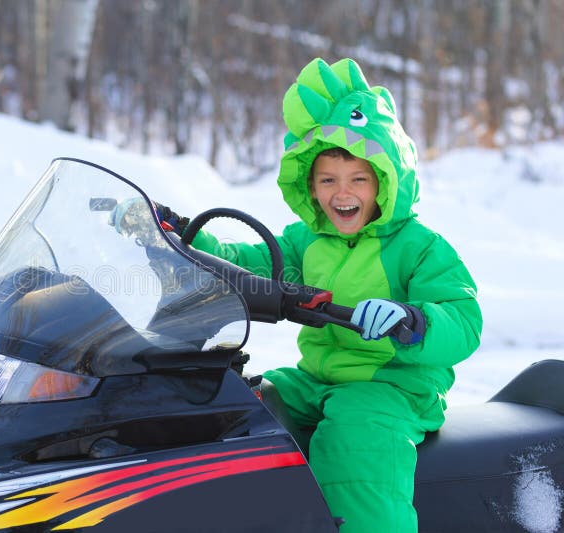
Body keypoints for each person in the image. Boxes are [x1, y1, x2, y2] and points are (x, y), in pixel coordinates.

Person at [154, 58, 482, 532]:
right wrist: (185, 237)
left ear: (385, 182)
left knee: (355, 442)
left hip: (391, 388)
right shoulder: (305, 242)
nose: (341, 192)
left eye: (359, 180)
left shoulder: (419, 247)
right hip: (314, 380)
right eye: (328, 180)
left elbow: (464, 318)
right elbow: (246, 262)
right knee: (240, 405)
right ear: (310, 186)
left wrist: (412, 320)